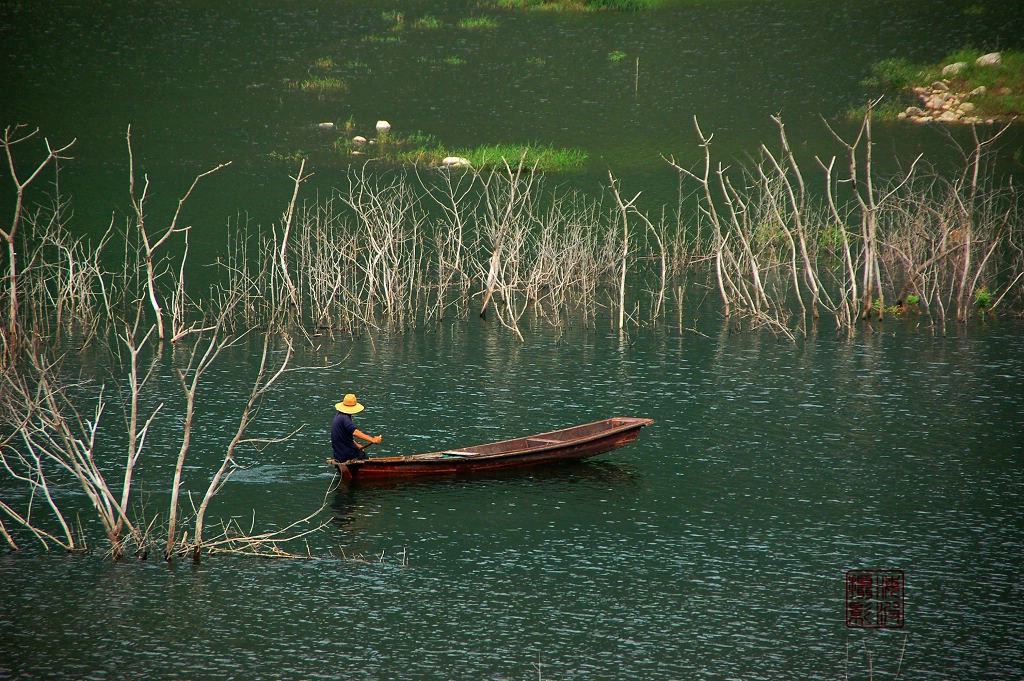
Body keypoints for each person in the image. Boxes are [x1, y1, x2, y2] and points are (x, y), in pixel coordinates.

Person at [331, 393, 383, 463]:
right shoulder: (345, 418)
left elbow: (345, 437)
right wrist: (373, 440)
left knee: (360, 452)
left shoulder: (339, 416)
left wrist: (356, 445)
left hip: (338, 455)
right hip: (347, 454)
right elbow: (355, 432)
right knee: (366, 459)